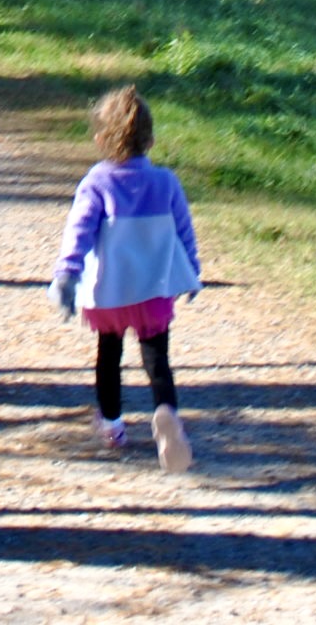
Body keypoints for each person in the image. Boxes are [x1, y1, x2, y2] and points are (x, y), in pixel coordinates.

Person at [48, 84, 201, 471]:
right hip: (153, 290)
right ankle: (166, 412)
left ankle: (113, 425)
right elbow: (185, 231)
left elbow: (78, 231)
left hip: (110, 292)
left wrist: (67, 273)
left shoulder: (97, 183)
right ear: (149, 140)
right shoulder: (166, 182)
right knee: (157, 360)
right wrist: (191, 271)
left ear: (101, 139)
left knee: (109, 355)